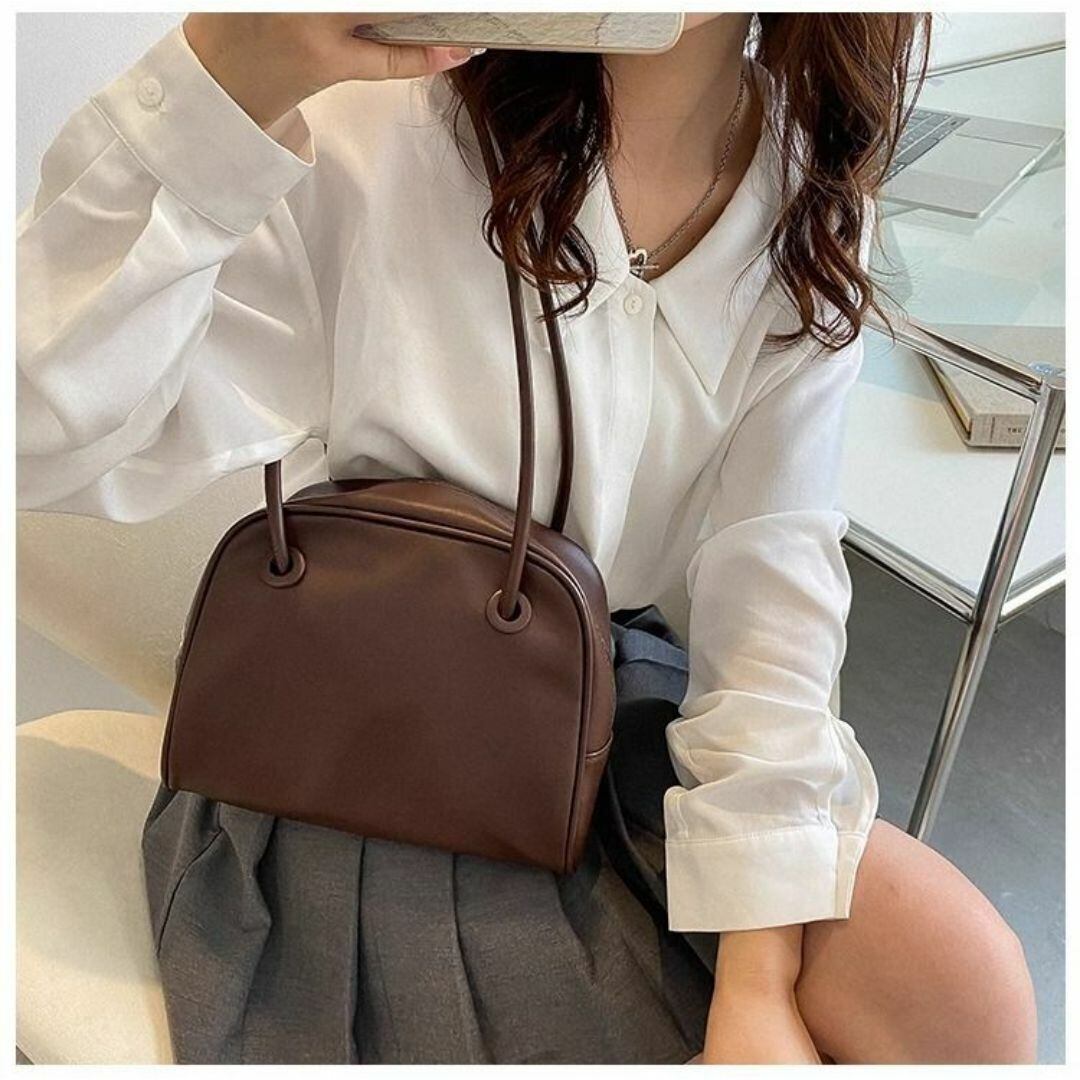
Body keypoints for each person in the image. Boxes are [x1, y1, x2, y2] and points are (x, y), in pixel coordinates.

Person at [16, 11, 1037, 1065]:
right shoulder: (382, 127)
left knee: (958, 983)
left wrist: (758, 981)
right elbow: (37, 435)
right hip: (363, 752)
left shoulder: (806, 189)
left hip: (610, 711)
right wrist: (227, 75)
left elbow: (773, 590)